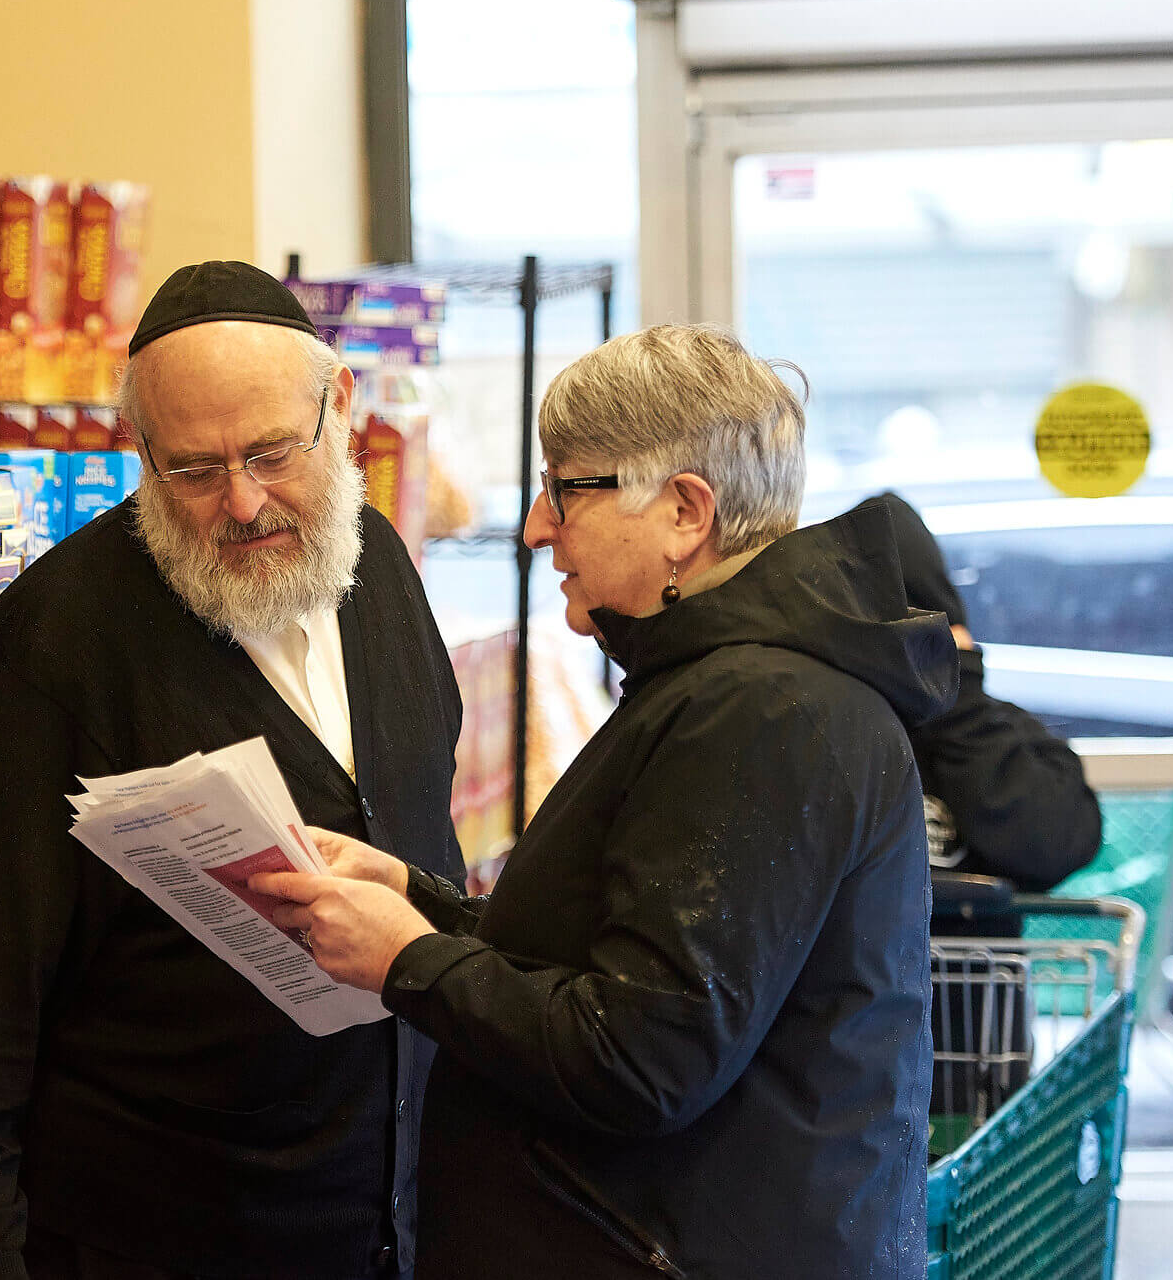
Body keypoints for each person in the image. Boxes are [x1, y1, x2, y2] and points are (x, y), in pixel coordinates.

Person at [254, 324, 957, 1280]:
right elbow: (626, 955)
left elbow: (642, 1057)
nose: (538, 526)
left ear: (684, 512)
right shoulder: (726, 687)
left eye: (567, 487)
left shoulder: (759, 711)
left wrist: (407, 961)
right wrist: (420, 903)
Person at [0, 261, 465, 1280]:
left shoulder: (383, 577)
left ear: (340, 410)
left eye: (271, 454)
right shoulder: (50, 655)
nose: (241, 503)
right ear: (142, 455)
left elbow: (429, 867)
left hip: (385, 1227)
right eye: (193, 470)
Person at [859, 491, 1102, 893]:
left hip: (978, 956)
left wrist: (957, 697)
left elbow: (1058, 847)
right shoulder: (830, 727)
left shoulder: (995, 731)